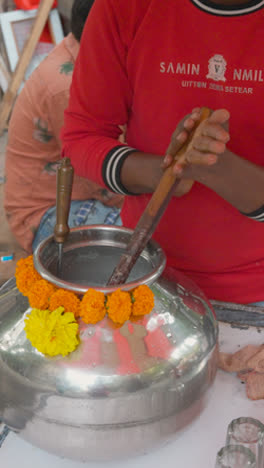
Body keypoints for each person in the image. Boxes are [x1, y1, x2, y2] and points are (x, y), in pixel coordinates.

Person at [61, 0, 264, 305]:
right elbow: (81, 135)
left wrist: (217, 168)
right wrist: (164, 173)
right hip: (145, 275)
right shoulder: (125, 7)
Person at [4, 0, 123, 254]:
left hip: (80, 192)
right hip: (44, 212)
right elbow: (101, 179)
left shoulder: (82, 51)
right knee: (143, 242)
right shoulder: (68, 86)